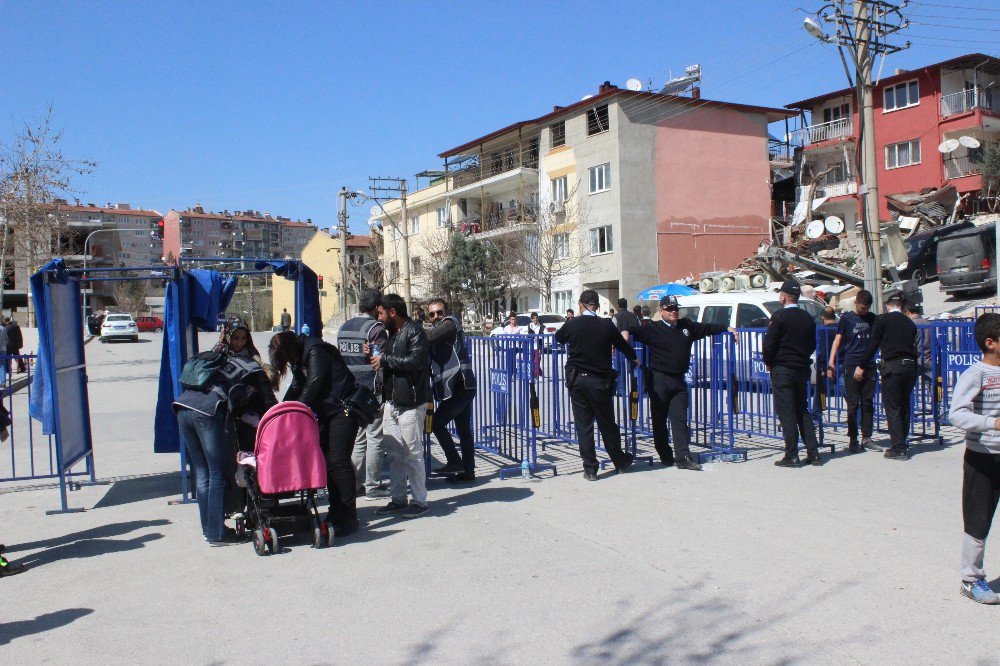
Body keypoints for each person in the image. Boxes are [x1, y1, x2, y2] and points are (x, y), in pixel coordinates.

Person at [174, 349, 276, 545]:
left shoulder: (224, 364)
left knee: (202, 471)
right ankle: (217, 534)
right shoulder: (255, 370)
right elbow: (269, 403)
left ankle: (209, 531)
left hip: (182, 407)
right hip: (207, 410)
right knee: (217, 472)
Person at [628, 295, 738, 471]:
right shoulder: (653, 328)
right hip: (659, 380)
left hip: (679, 380)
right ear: (661, 311)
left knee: (680, 419)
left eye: (676, 309)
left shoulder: (686, 326)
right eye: (670, 309)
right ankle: (664, 453)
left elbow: (707, 327)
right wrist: (625, 332)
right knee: (659, 420)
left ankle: (683, 457)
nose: (673, 312)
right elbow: (631, 329)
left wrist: (727, 327)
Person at [269, 330, 361, 536]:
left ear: (290, 350)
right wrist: (281, 409)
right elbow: (297, 384)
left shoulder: (315, 351)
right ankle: (336, 510)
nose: (289, 363)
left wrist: (295, 411)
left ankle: (349, 515)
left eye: (287, 359)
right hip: (328, 411)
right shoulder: (299, 355)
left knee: (339, 461)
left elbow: (313, 385)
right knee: (327, 463)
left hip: (342, 409)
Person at [554, 289, 637, 480]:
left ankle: (590, 469)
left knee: (584, 426)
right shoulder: (606, 325)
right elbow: (623, 346)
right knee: (607, 423)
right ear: (597, 306)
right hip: (600, 381)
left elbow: (558, 338)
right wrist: (634, 358)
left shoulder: (573, 324)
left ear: (581, 305)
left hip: (577, 380)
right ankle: (619, 461)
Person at [949, 313, 1000, 605]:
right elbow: (957, 414)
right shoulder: (975, 374)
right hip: (983, 458)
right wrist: (992, 424)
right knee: (978, 520)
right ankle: (971, 580)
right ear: (990, 343)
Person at [369, 293, 431, 518]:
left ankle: (420, 501)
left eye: (381, 313)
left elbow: (415, 362)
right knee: (394, 453)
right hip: (392, 402)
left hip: (411, 404)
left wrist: (385, 360)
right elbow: (393, 363)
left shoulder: (415, 332)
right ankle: (398, 499)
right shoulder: (392, 334)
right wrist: (377, 358)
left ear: (392, 312)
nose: (379, 317)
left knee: (412, 453)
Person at [763, 279, 823, 467]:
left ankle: (791, 454)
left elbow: (769, 345)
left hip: (783, 369)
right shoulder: (807, 318)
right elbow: (812, 344)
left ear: (783, 297)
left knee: (787, 413)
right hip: (801, 368)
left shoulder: (779, 317)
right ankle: (813, 453)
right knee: (802, 410)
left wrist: (769, 363)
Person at [338, 288, 390, 501]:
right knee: (375, 437)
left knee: (358, 438)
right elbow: (377, 360)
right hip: (370, 390)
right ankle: (373, 485)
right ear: (377, 307)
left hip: (350, 390)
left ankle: (356, 483)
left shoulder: (344, 327)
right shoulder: (375, 329)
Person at [857, 293, 918, 460]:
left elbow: (873, 344)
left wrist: (862, 364)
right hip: (910, 367)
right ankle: (902, 442)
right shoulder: (910, 324)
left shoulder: (882, 320)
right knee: (904, 405)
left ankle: (898, 448)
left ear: (888, 306)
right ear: (903, 307)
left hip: (893, 367)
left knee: (893, 408)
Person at [426, 298, 477, 484]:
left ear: (446, 311)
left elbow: (430, 337)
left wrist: (411, 333)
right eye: (431, 314)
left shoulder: (451, 323)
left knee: (437, 424)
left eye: (439, 312)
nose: (436, 317)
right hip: (458, 387)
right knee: (464, 430)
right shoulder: (437, 331)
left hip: (462, 386)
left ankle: (455, 461)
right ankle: (468, 472)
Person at [826, 290, 878, 453]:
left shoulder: (872, 318)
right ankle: (853, 438)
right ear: (856, 303)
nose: (865, 311)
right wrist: (831, 362)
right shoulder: (847, 319)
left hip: (868, 364)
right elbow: (837, 340)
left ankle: (867, 437)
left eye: (867, 308)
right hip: (851, 363)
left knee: (868, 403)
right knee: (853, 404)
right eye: (863, 307)